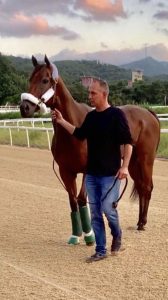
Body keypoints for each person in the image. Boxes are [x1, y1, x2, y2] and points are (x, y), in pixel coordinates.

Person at [51, 78, 133, 263]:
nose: (90, 97)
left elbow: (128, 143)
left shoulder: (116, 115)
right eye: (89, 93)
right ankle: (101, 249)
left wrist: (125, 166)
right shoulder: (91, 117)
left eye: (93, 93)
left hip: (111, 175)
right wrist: (62, 121)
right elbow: (79, 134)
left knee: (107, 210)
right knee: (95, 213)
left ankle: (117, 233)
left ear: (104, 94)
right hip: (92, 174)